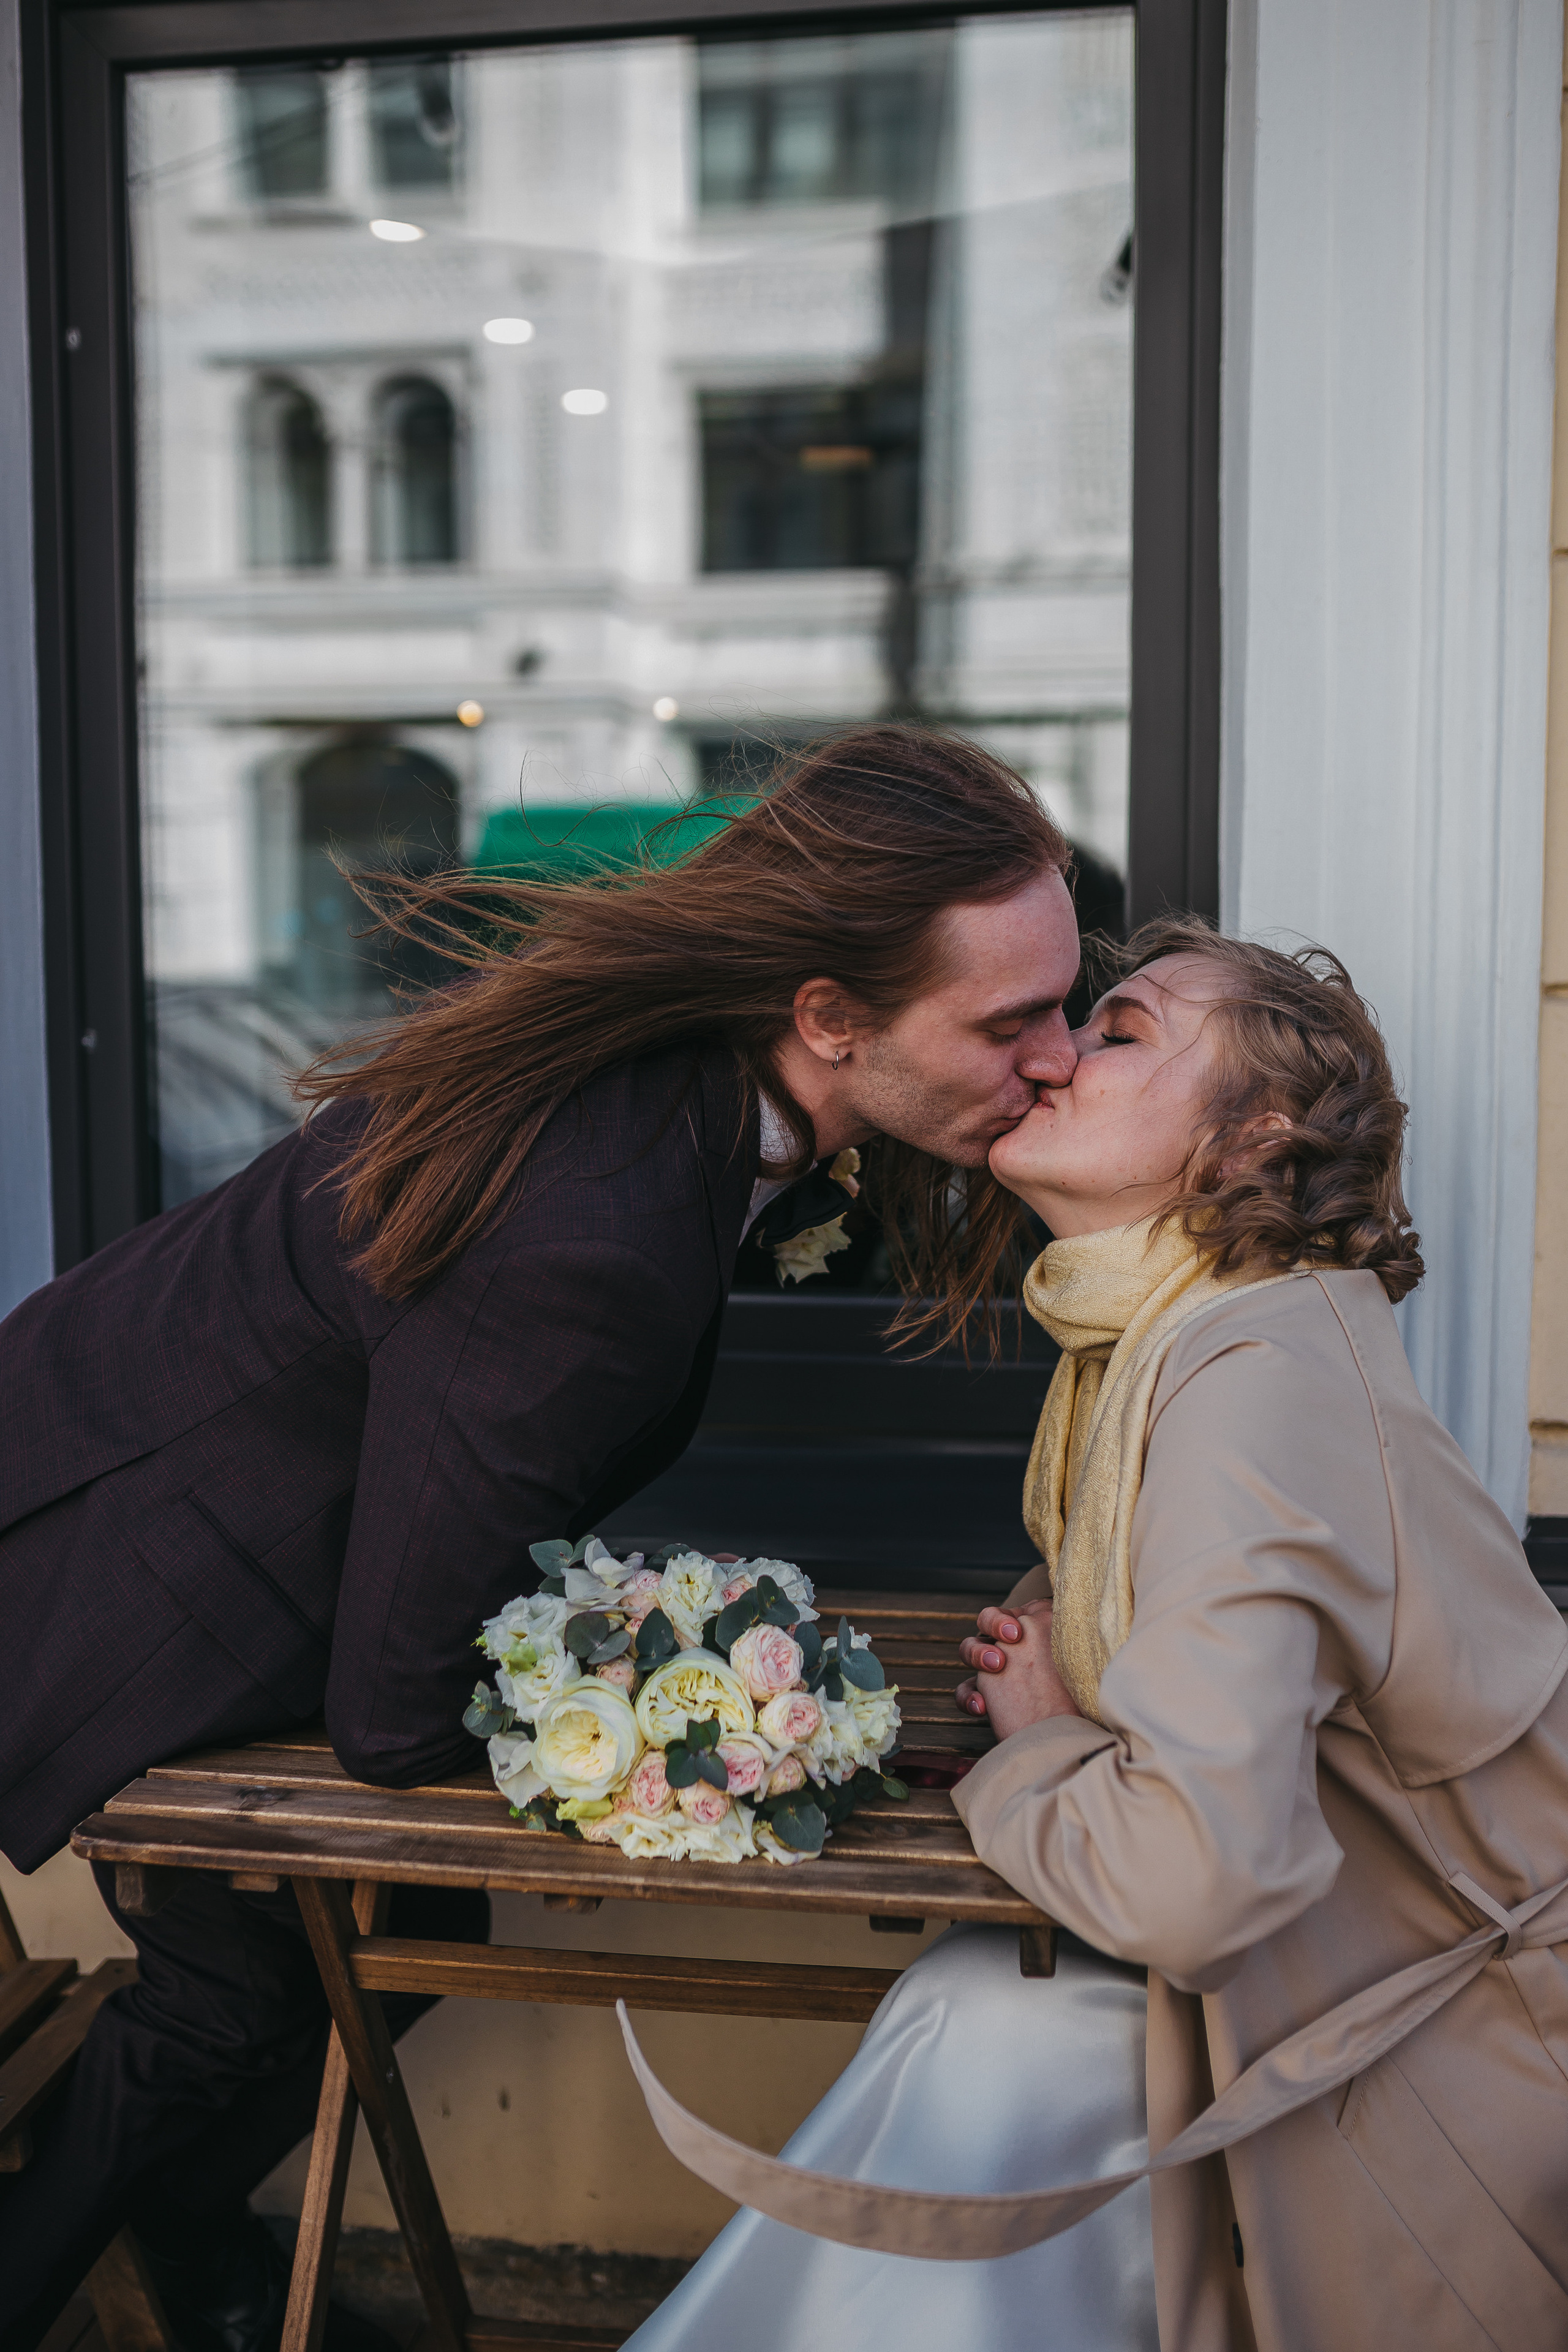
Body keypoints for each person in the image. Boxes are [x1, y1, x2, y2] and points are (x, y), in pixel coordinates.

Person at [0, 725, 1083, 2352]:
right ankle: (136, 2273)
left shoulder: (684, 1092)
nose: (1056, 1059)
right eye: (1010, 1023)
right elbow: (393, 1720)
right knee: (239, 1995)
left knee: (405, 1939)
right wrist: (682, 1739)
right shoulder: (596, 1225)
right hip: (108, 1571)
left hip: (172, 1506)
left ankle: (193, 2249)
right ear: (827, 1019)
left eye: (1071, 1007)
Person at [619, 918, 1568, 2352]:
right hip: (1333, 2000)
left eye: (1116, 1033)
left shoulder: (1251, 1380)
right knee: (973, 2007)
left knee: (988, 2037)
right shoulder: (1182, 1343)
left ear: (1252, 1134)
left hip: (1442, 2085)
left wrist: (1043, 1748)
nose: (1053, 1056)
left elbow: (1192, 1882)